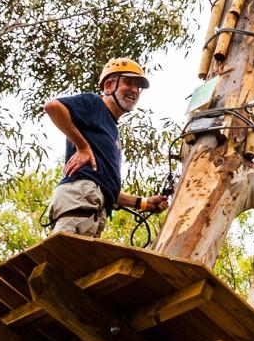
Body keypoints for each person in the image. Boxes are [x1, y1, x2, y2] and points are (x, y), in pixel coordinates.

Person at [42, 57, 170, 236]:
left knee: (79, 262)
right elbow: (53, 107)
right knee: (65, 258)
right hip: (80, 199)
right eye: (128, 82)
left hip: (93, 207)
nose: (134, 90)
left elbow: (106, 187)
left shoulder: (112, 130)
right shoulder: (95, 103)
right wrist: (82, 147)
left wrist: (144, 203)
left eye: (137, 87)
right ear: (109, 86)